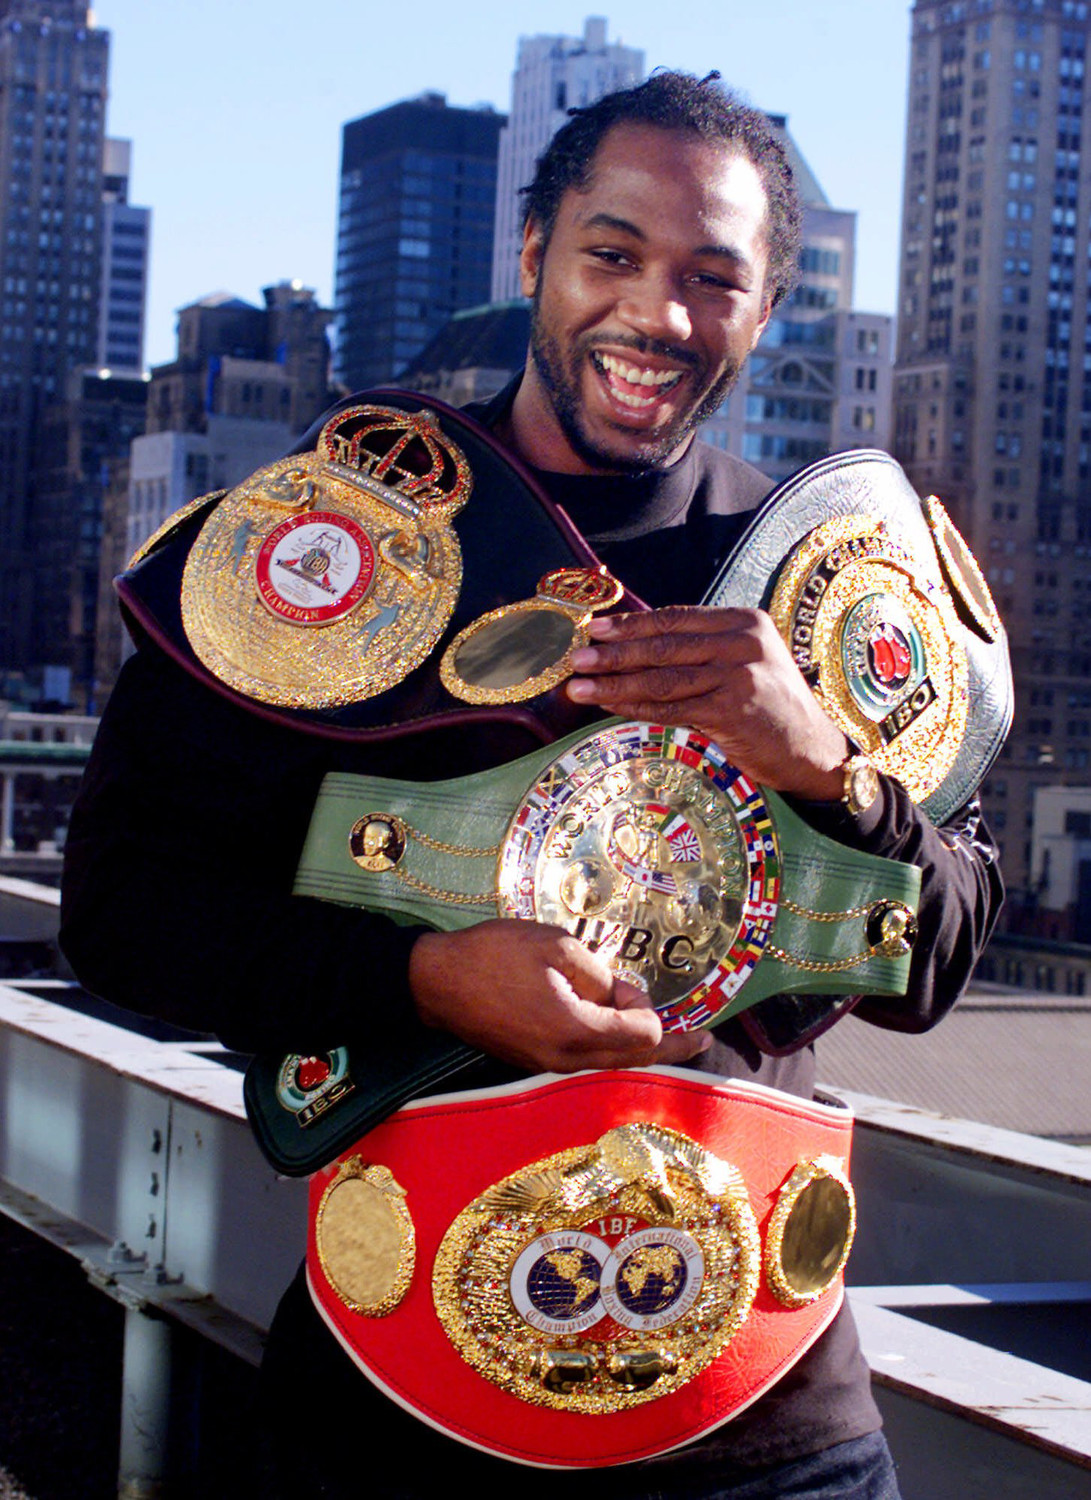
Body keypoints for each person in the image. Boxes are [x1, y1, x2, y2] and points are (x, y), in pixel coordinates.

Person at [61, 72, 1003, 1499]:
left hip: (774, 1427)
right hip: (397, 1408)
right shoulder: (331, 550)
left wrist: (827, 762)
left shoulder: (839, 586)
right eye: (612, 253)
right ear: (533, 256)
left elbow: (935, 963)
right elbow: (121, 909)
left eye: (711, 279)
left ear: (765, 309)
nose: (656, 315)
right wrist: (425, 983)